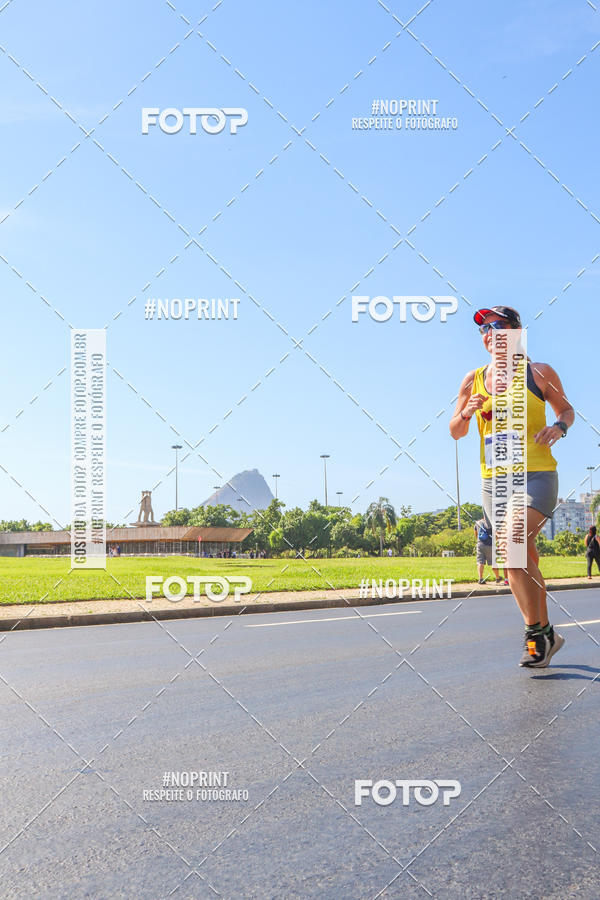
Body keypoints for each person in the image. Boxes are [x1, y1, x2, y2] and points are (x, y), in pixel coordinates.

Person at [450, 306, 574, 668]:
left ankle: (535, 636)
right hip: (495, 483)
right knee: (521, 560)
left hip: (536, 475)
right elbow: (455, 431)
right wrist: (466, 413)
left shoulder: (539, 373)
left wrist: (558, 427)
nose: (490, 333)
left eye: (498, 326)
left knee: (510, 544)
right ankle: (547, 635)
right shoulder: (473, 380)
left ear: (516, 333)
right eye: (484, 329)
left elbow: (566, 410)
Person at [473, 517, 506, 584]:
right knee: (493, 562)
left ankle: (480, 578)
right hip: (490, 545)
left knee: (480, 562)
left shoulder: (477, 522)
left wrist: (478, 541)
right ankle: (497, 578)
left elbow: (476, 534)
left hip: (480, 544)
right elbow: (496, 534)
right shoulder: (491, 523)